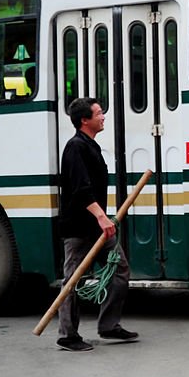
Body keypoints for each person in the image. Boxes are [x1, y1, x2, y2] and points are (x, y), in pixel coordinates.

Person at [57, 97, 138, 352]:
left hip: (97, 225)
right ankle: (67, 335)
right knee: (73, 280)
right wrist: (102, 217)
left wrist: (102, 218)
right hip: (80, 227)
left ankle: (108, 325)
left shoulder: (91, 146)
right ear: (85, 120)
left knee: (120, 269)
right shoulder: (75, 147)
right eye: (99, 113)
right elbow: (81, 190)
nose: (103, 117)